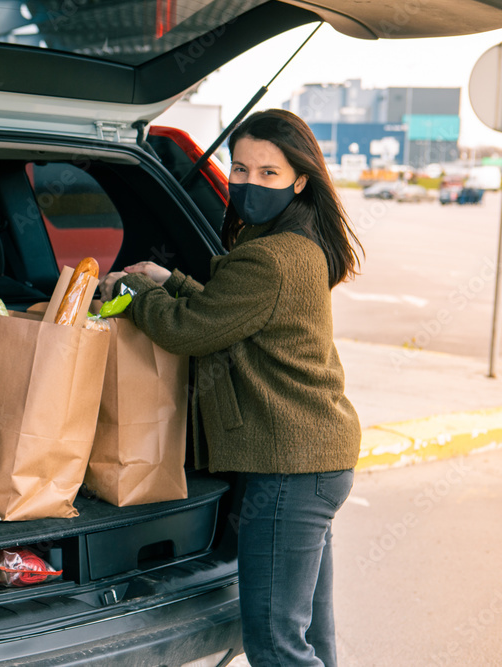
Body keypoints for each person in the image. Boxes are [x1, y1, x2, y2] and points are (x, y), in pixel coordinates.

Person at [99, 108, 362, 666]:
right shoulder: (296, 245)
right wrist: (171, 280)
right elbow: (235, 311)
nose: (247, 184)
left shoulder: (271, 256)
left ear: (299, 180)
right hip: (317, 460)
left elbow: (189, 330)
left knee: (275, 641)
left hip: (290, 468)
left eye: (268, 173)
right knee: (310, 634)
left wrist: (136, 293)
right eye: (240, 168)